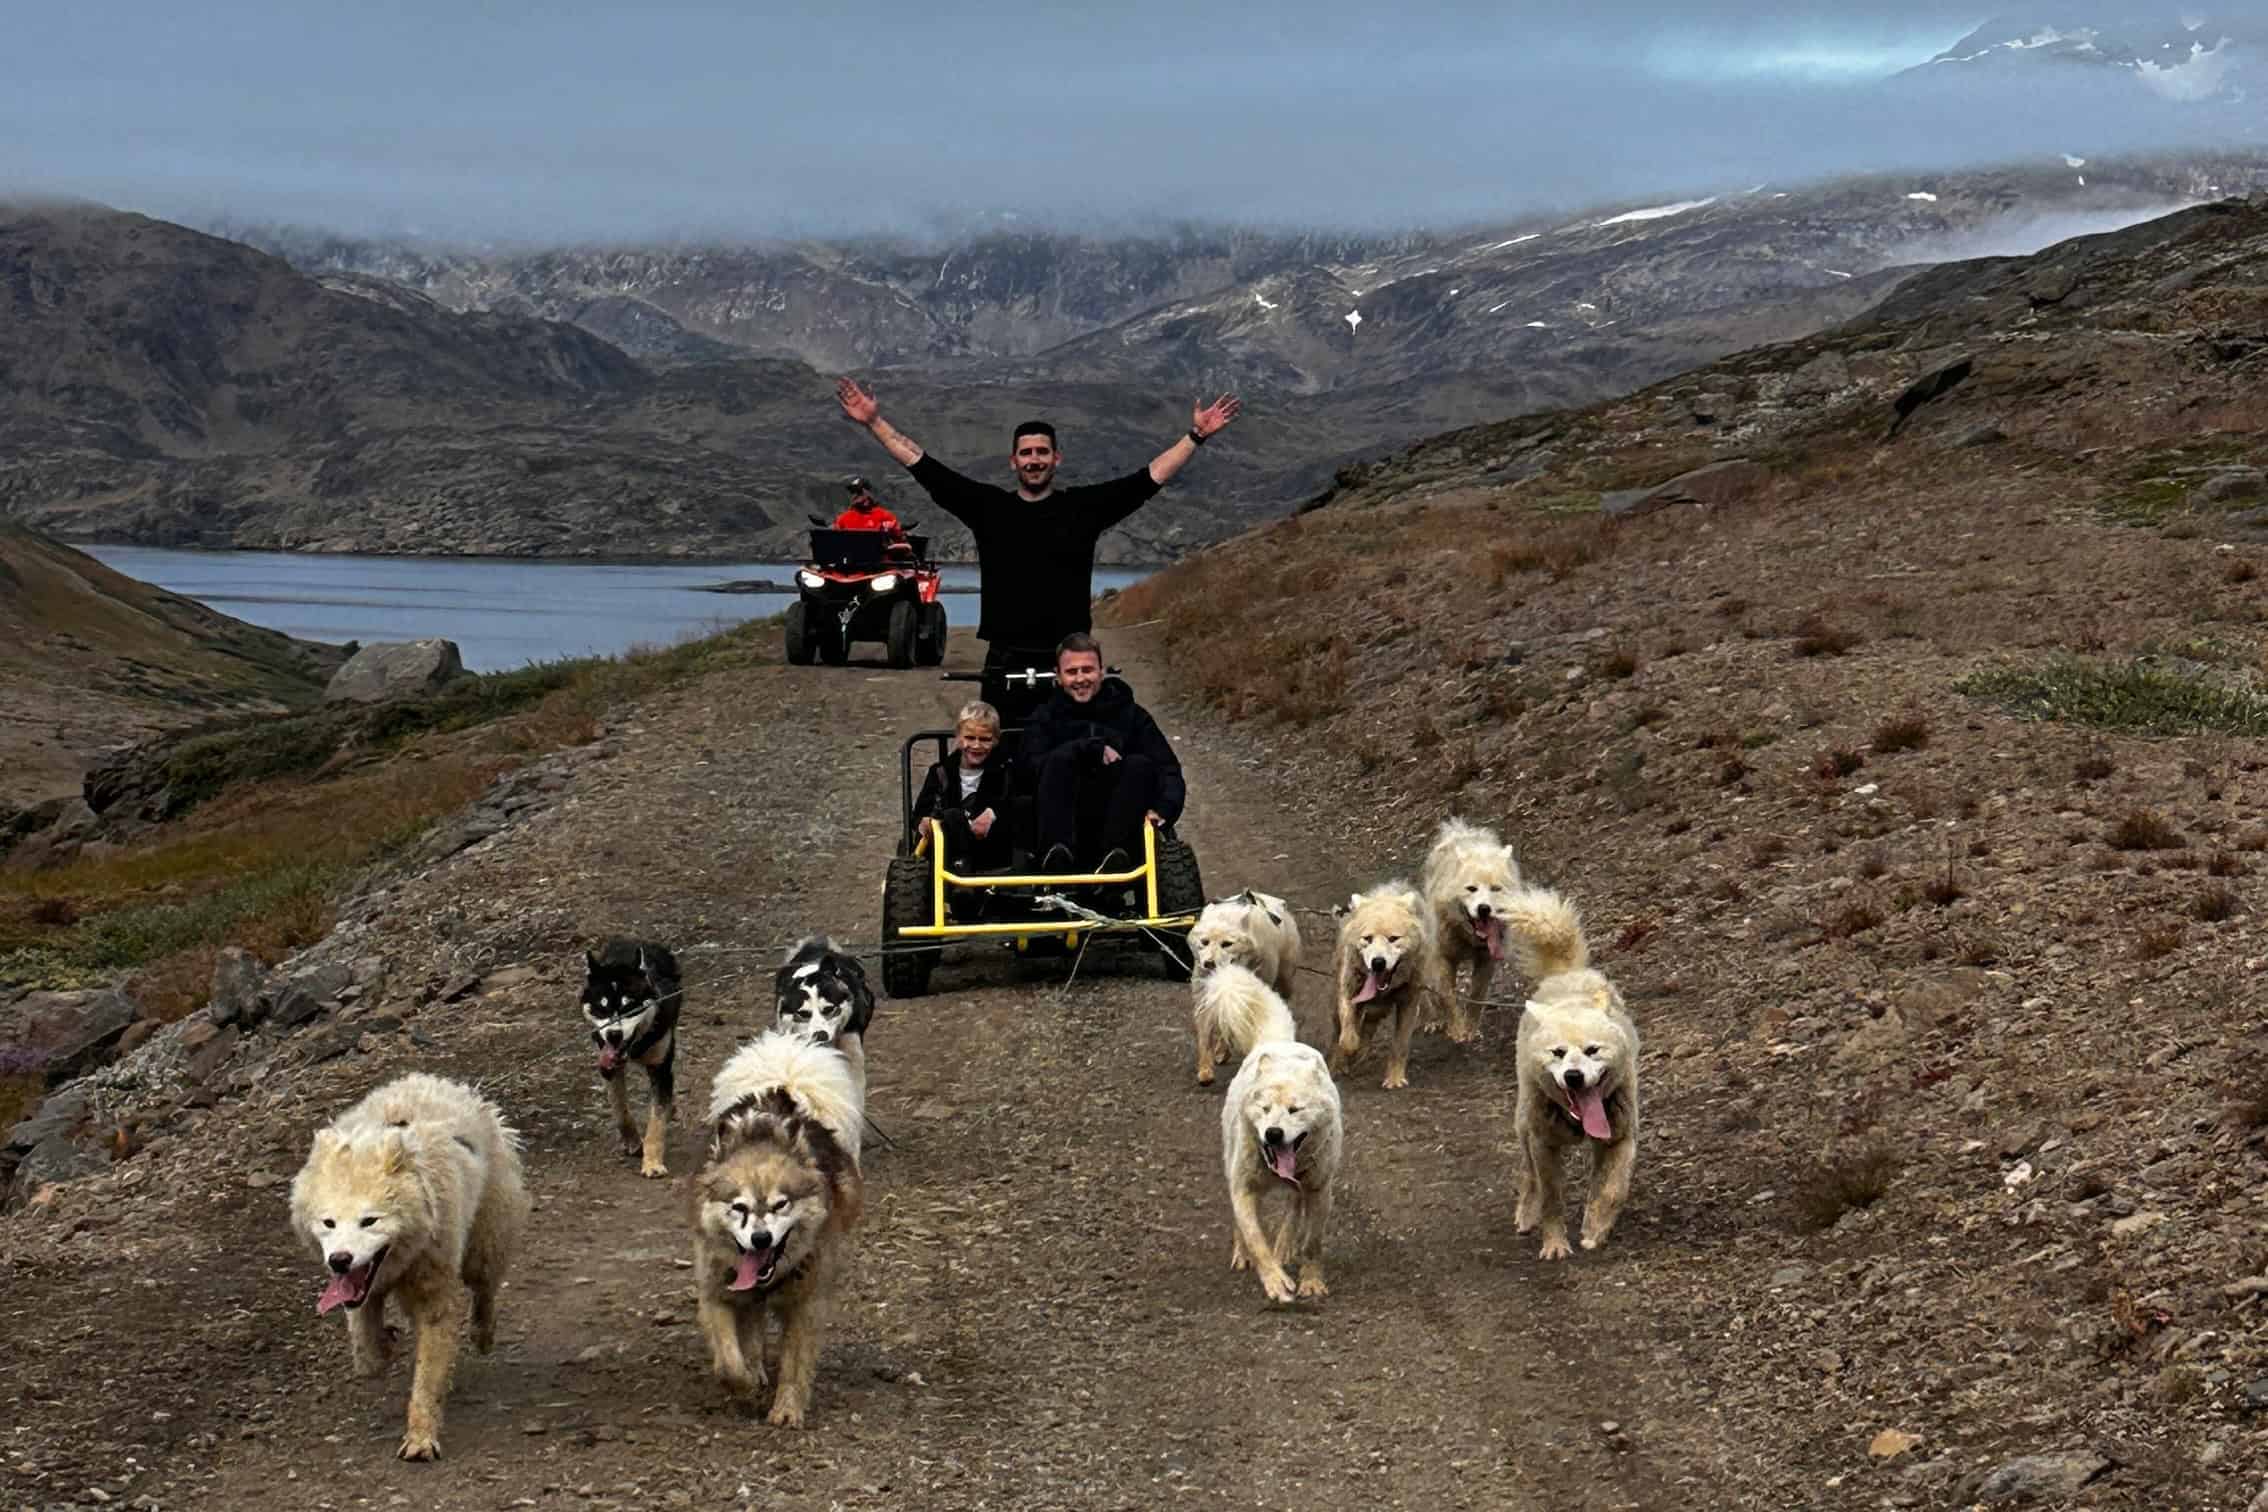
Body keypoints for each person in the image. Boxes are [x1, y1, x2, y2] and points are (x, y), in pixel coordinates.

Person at [834, 375, 1242, 718]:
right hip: (1005, 657)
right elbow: (921, 464)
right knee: (1000, 762)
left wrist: (1196, 436)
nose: (1034, 460)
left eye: (1042, 452)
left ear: (1056, 459)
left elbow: (1149, 478)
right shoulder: (988, 508)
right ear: (1013, 461)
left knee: (1076, 764)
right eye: (1026, 453)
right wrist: (874, 422)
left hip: (1071, 659)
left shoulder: (1083, 509)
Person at [1018, 633, 1185, 876]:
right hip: (1059, 821)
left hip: (1118, 823)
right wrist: (1087, 748)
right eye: (1072, 672)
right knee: (1057, 760)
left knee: (1139, 764)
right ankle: (1058, 857)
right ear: (1058, 676)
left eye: (1087, 670)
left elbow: (1167, 769)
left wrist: (1164, 810)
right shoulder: (1044, 718)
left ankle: (1115, 859)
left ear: (1102, 672)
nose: (1080, 679)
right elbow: (1027, 771)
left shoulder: (1132, 715)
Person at [912, 700, 1015, 873]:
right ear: (958, 737)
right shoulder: (941, 772)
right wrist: (924, 822)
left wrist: (993, 813)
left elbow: (1017, 803)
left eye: (984, 739)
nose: (976, 745)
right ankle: (960, 872)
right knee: (952, 816)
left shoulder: (1005, 770)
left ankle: (965, 877)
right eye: (969, 738)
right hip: (946, 853)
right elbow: (920, 812)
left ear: (995, 740)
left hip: (989, 852)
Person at [833, 477, 905, 538]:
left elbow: (899, 538)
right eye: (852, 492)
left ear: (868, 492)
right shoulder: (843, 519)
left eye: (858, 491)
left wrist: (892, 531)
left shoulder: (884, 516)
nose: (854, 495)